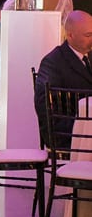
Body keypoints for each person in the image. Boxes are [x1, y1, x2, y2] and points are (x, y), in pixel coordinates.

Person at [34, 9, 92, 145]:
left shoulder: (88, 55)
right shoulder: (53, 63)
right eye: (88, 35)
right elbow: (45, 108)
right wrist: (80, 127)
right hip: (71, 133)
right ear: (70, 35)